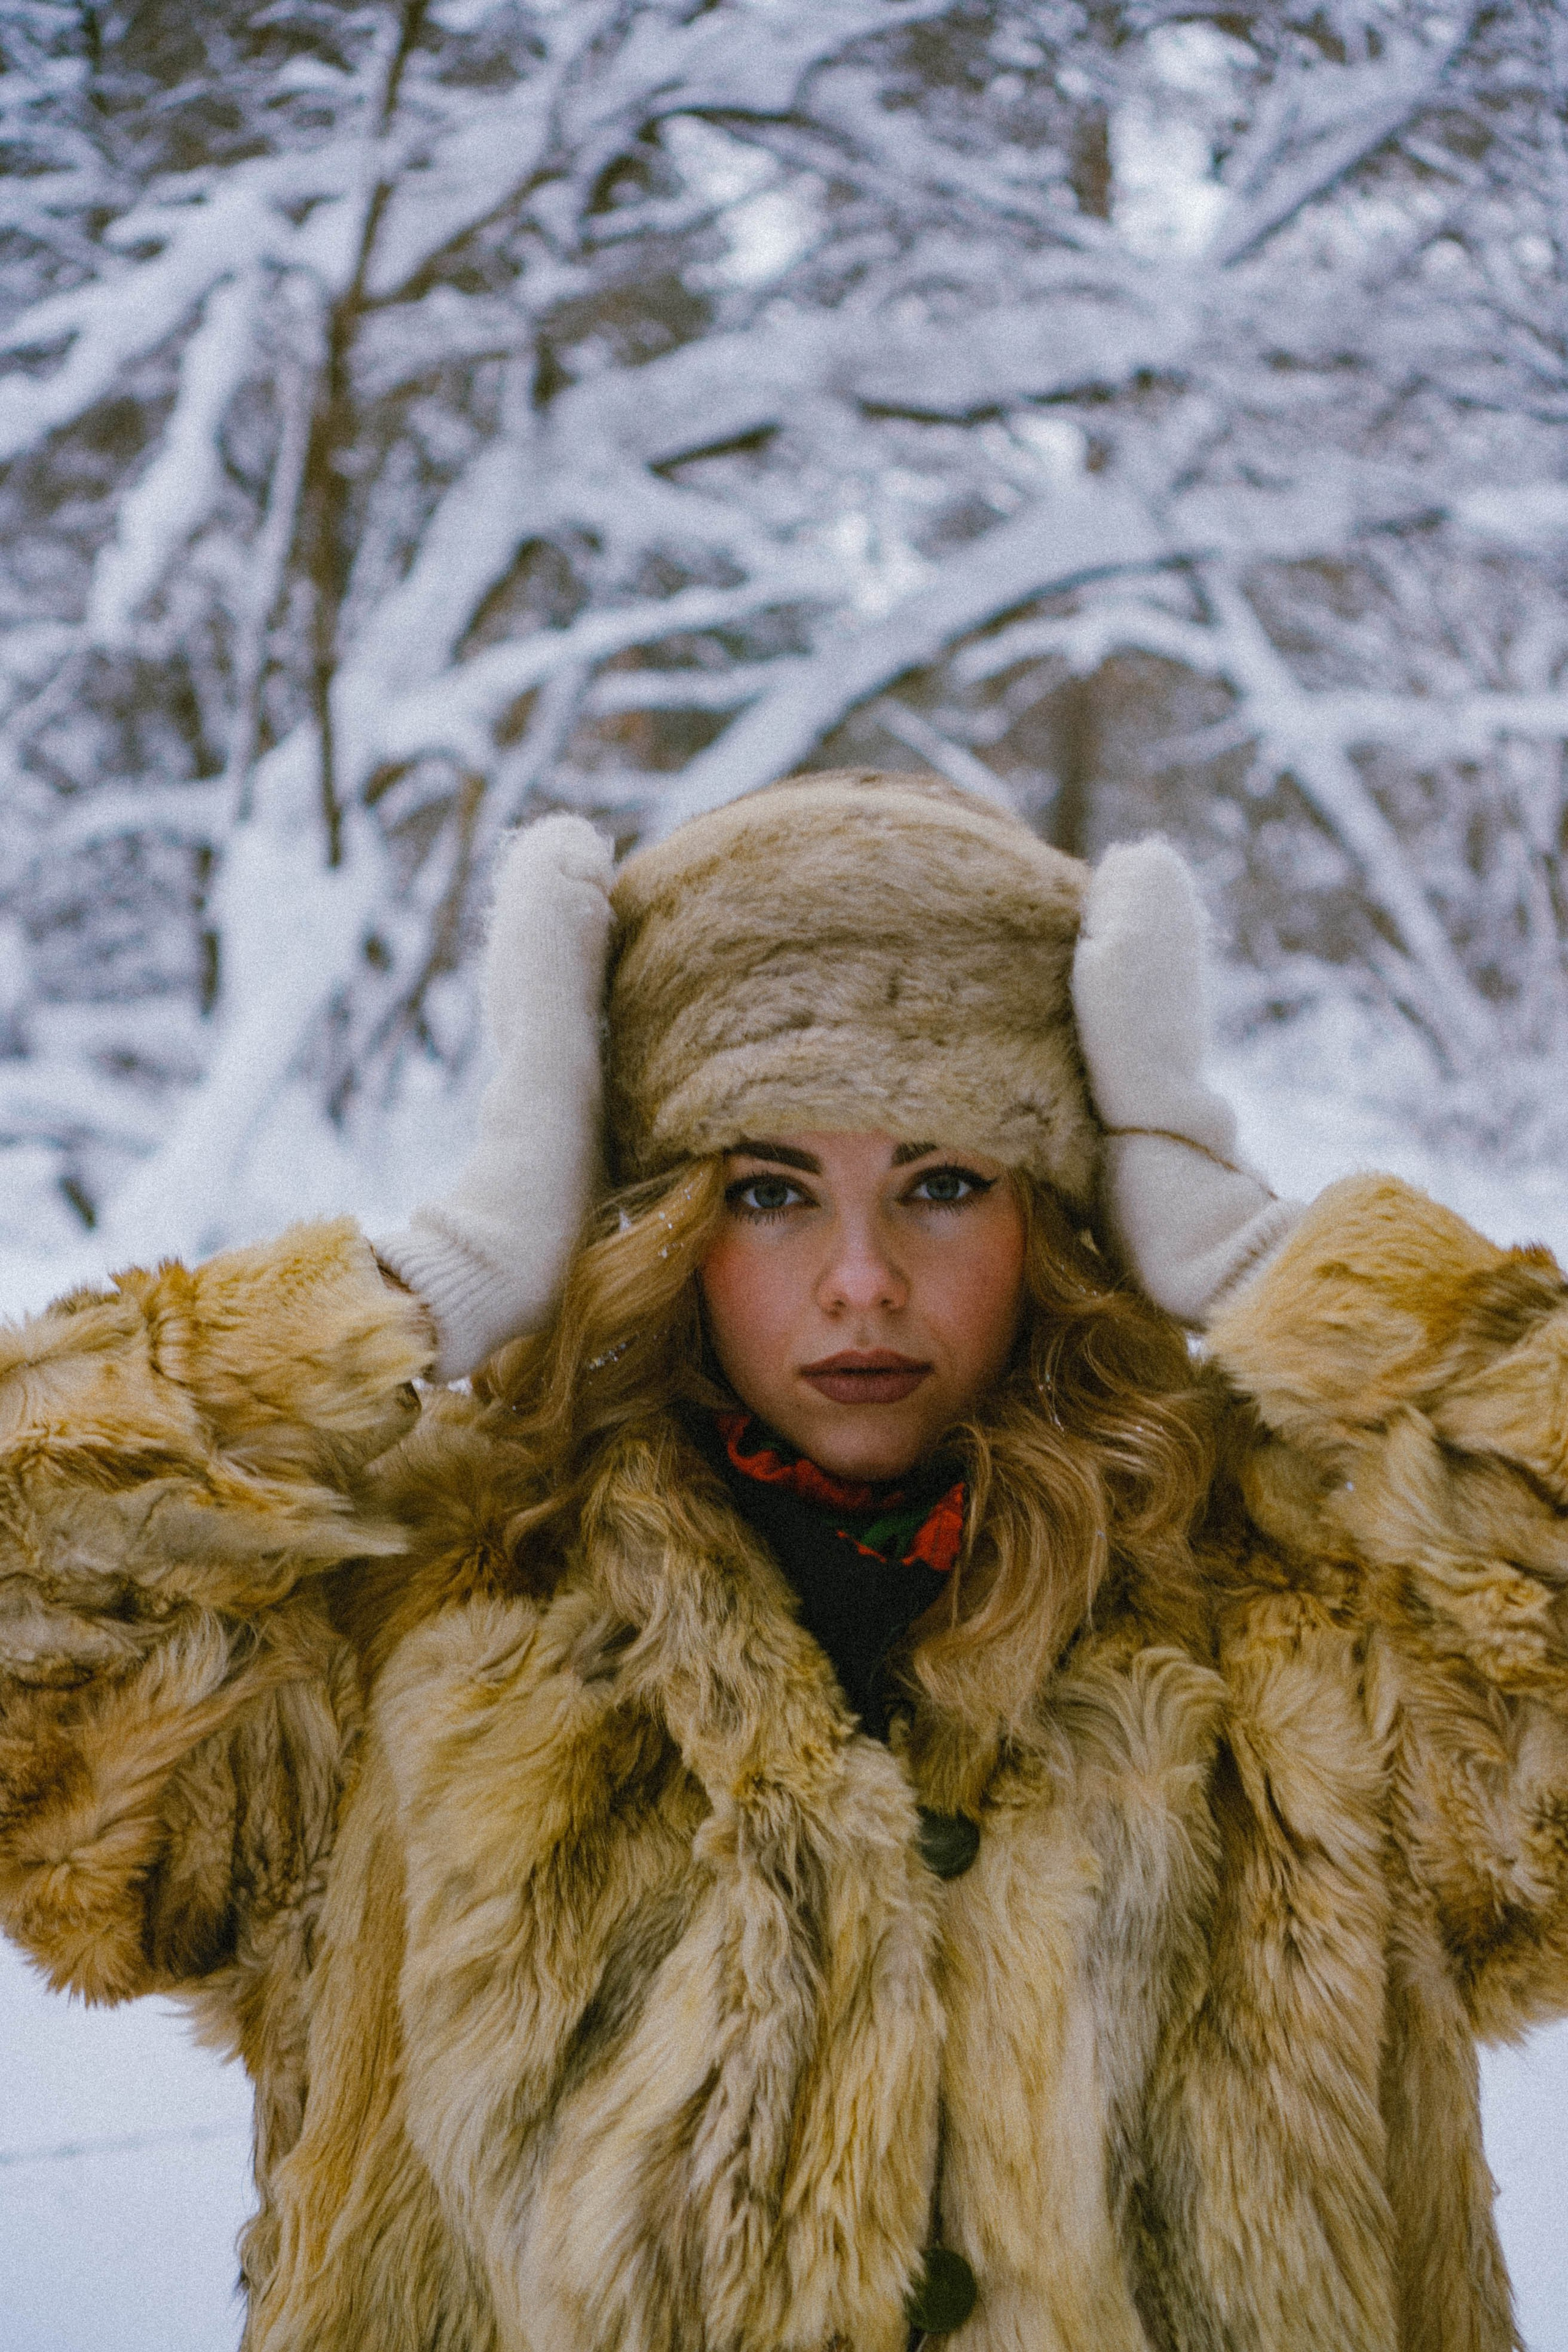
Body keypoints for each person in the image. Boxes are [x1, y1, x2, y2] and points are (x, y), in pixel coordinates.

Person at [0, 767, 1560, 2352]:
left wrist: (1275, 1265)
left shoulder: (1297, 1612)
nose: (862, 1281)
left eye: (945, 1183)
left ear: (1056, 1213)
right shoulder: (417, 1609)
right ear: (662, 1217)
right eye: (768, 1192)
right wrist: (427, 1280)